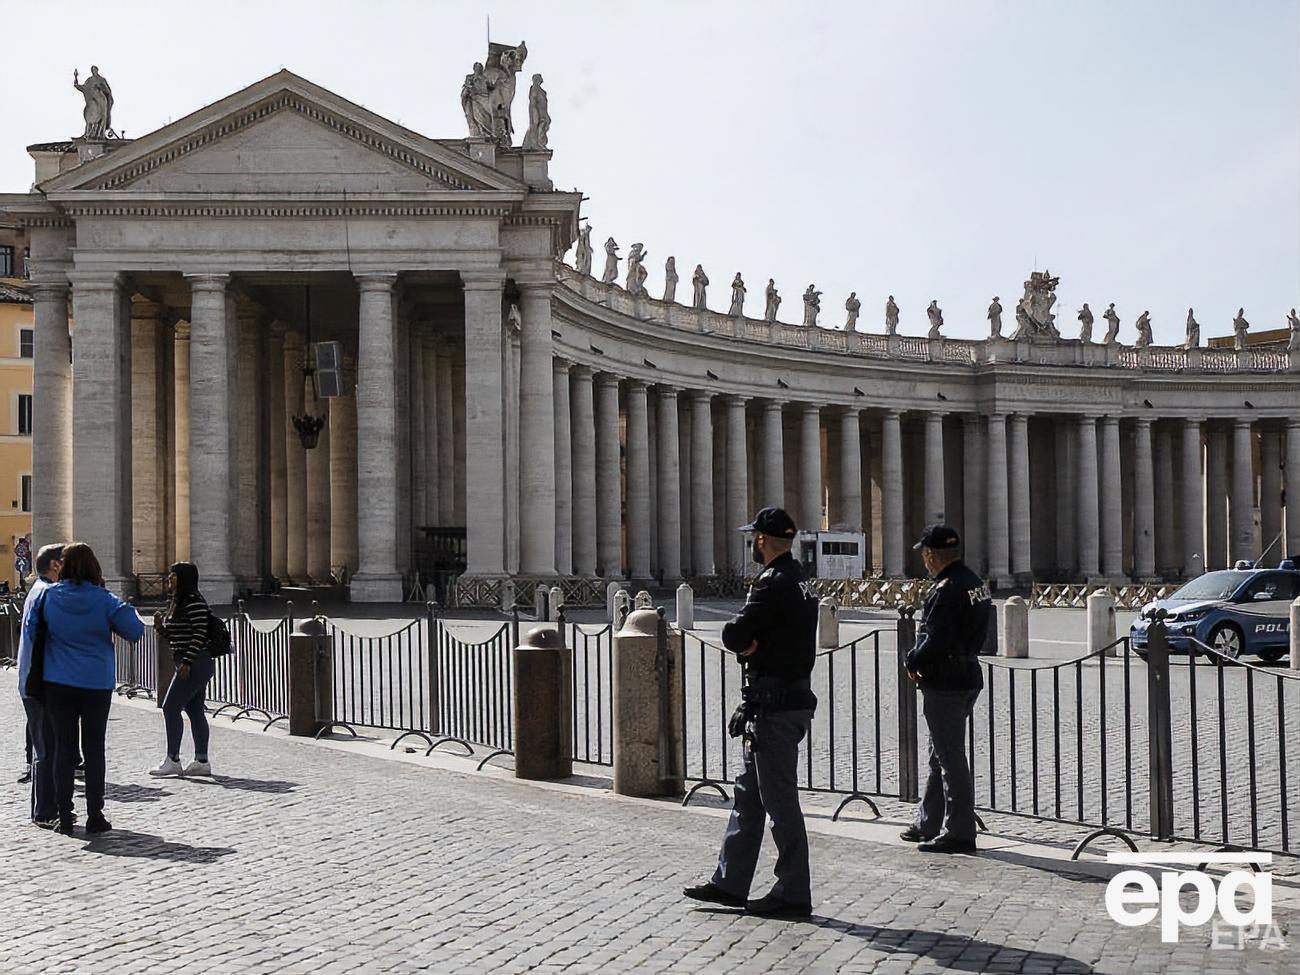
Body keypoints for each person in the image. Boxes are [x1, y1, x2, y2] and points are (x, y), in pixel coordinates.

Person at [684, 506, 818, 918]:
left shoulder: (771, 582)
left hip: (774, 707)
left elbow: (734, 633)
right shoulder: (802, 582)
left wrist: (748, 643)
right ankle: (730, 882)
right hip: (780, 700)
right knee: (748, 797)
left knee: (779, 803)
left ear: (761, 540)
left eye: (754, 540)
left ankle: (793, 891)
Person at [29, 542, 144, 835]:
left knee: (63, 750)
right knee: (94, 750)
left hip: (57, 683)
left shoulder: (48, 597)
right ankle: (95, 815)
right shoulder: (103, 599)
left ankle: (65, 815)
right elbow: (134, 630)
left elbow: (31, 632)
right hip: (95, 683)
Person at [901, 524, 991, 854]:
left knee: (949, 758)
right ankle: (928, 821)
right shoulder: (974, 583)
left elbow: (934, 637)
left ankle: (960, 830)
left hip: (946, 681)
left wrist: (912, 660)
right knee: (940, 753)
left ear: (930, 555)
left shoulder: (947, 588)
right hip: (967, 674)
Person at [150, 562, 215, 777]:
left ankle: (173, 759)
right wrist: (160, 627)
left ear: (184, 578)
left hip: (195, 662)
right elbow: (176, 638)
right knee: (194, 709)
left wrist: (187, 662)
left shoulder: (194, 601)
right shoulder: (176, 602)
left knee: (170, 707)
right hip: (190, 661)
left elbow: (199, 633)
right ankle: (201, 761)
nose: (170, 578)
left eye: (174, 575)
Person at [16, 543, 64, 827]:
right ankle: (45, 811)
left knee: (43, 747)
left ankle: (43, 808)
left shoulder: (38, 591)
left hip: (32, 680)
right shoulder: (48, 594)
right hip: (41, 682)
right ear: (56, 565)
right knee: (48, 748)